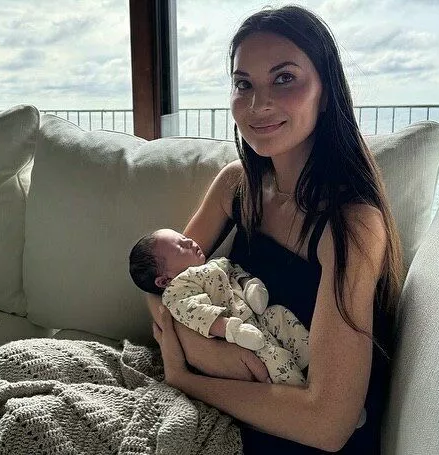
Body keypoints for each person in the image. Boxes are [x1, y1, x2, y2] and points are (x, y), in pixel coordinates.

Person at [147, 5, 403, 454]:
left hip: (295, 437)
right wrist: (211, 353)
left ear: (326, 91)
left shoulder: (352, 224)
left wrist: (186, 377)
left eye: (284, 78)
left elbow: (328, 424)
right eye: (243, 84)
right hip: (225, 407)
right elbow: (160, 283)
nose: (257, 104)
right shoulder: (236, 185)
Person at [129, 228, 311, 385]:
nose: (190, 242)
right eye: (181, 247)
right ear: (164, 280)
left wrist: (249, 285)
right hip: (238, 335)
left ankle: (312, 361)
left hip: (256, 314)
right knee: (273, 357)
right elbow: (199, 315)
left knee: (279, 314)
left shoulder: (215, 263)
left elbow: (235, 271)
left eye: (185, 238)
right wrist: (232, 330)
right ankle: (296, 390)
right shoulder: (178, 290)